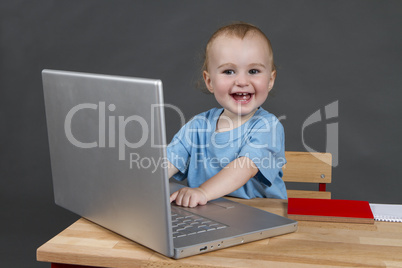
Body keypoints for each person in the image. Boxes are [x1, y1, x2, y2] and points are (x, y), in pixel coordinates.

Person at [167, 22, 287, 208]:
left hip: (260, 217)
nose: (241, 81)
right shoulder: (197, 126)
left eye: (253, 71)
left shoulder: (268, 126)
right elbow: (168, 163)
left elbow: (245, 167)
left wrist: (203, 192)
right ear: (209, 81)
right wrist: (142, 183)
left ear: (270, 80)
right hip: (208, 216)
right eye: (229, 71)